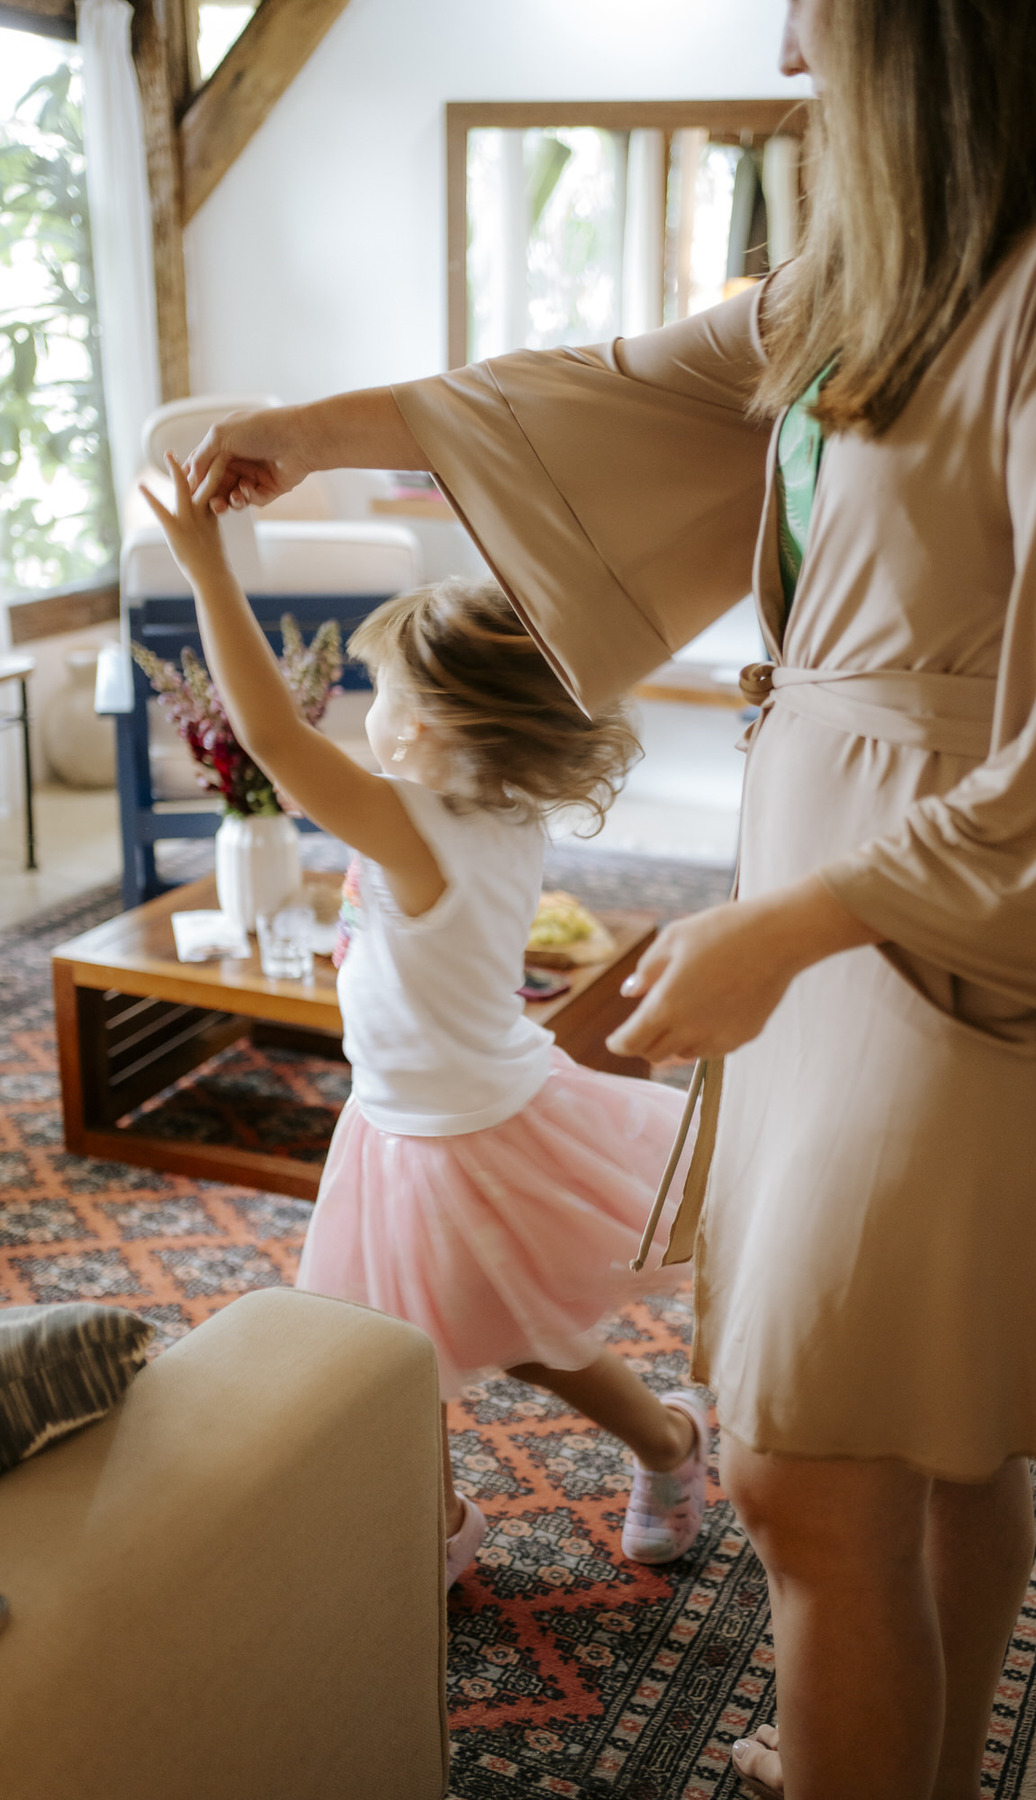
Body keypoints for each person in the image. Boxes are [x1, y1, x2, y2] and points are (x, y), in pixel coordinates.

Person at [183, 1, 1036, 1793]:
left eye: (812, 5)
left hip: (969, 923)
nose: (797, 55)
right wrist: (313, 429)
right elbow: (631, 384)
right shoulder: (895, 266)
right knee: (938, 1438)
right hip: (834, 899)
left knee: (812, 1458)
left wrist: (782, 928)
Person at [139, 458, 711, 1590]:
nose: (370, 715)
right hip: (407, 1120)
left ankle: (668, 1444)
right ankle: (446, 1526)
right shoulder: (491, 808)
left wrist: (207, 563)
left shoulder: (418, 830)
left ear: (453, 735)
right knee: (430, 1347)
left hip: (469, 1131)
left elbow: (269, 732)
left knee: (512, 1340)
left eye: (391, 697)